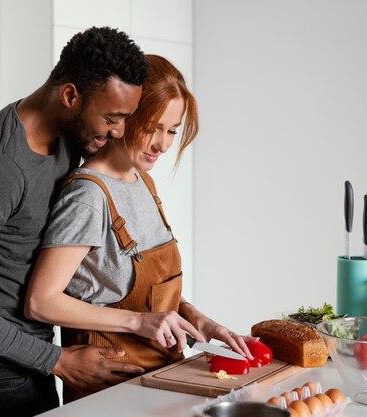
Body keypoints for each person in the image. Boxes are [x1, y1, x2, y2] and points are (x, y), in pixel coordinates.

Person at [0, 27, 150, 417]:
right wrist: (57, 360)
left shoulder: (68, 136)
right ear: (69, 95)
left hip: (26, 356)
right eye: (112, 117)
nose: (118, 131)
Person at [25, 55, 257, 402]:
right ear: (126, 114)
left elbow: (146, 295)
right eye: (154, 126)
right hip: (110, 391)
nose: (163, 144)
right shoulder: (88, 196)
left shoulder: (143, 182)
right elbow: (41, 301)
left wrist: (200, 321)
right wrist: (137, 324)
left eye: (172, 131)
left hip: (162, 378)